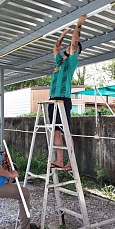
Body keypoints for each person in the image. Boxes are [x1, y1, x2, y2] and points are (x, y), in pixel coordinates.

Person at [48, 15, 87, 170]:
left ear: (76, 51)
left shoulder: (71, 62)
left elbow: (74, 41)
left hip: (63, 100)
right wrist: (63, 34)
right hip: (52, 100)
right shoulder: (59, 62)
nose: (69, 47)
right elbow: (56, 47)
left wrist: (78, 25)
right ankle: (59, 160)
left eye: (72, 47)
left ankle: (71, 162)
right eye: (69, 47)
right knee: (56, 132)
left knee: (66, 131)